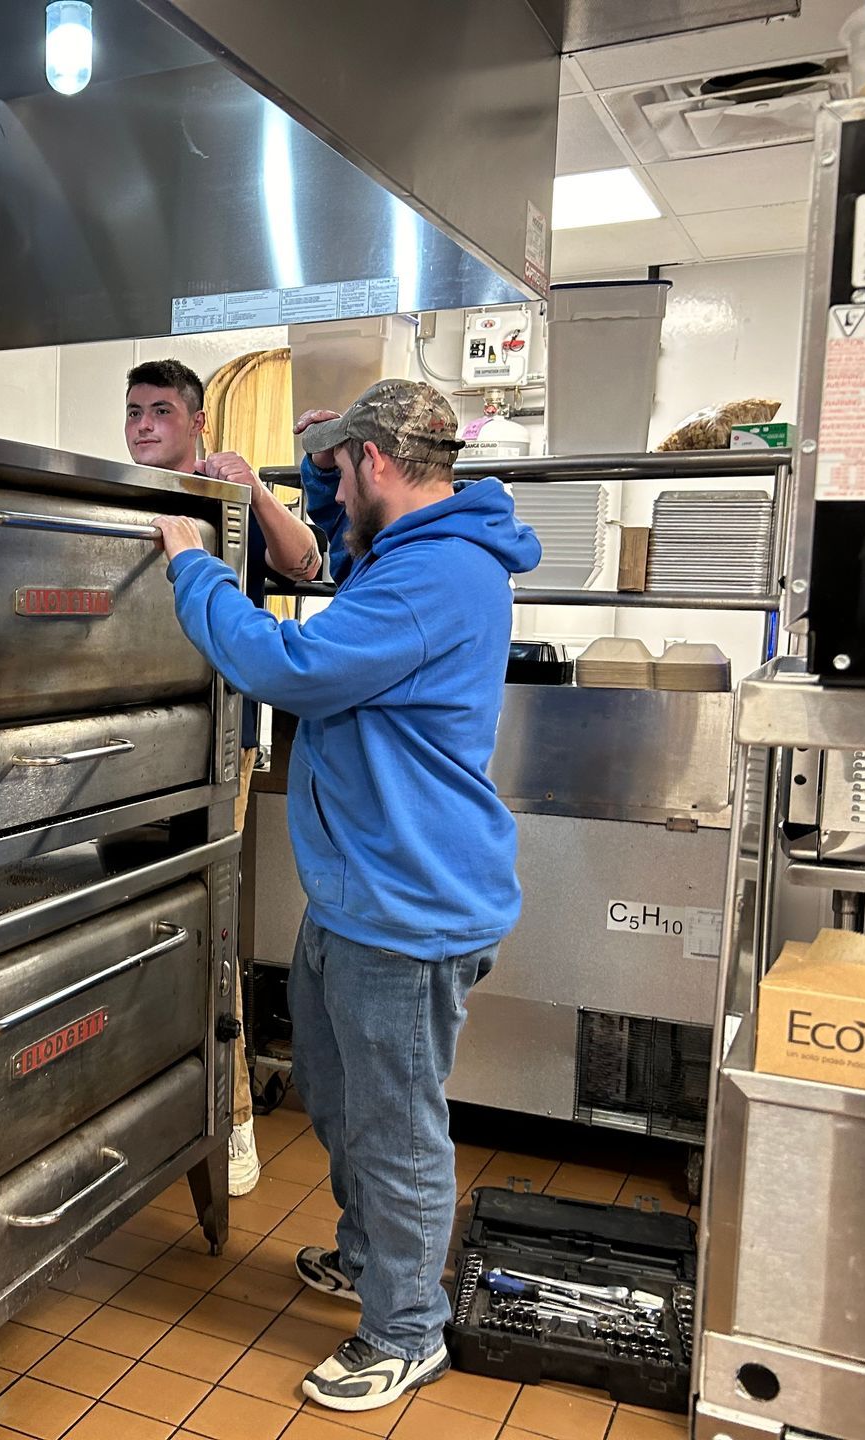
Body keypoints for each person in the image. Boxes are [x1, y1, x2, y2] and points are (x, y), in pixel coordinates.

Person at [148, 379, 540, 1413]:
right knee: (336, 1086)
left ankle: (408, 1328)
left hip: (407, 906)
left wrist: (192, 570)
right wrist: (287, 476)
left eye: (335, 467)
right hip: (362, 890)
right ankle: (376, 1258)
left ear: (373, 463)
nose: (326, 487)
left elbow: (290, 664)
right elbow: (330, 544)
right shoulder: (413, 551)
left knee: (395, 1121)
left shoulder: (435, 578)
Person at [124, 359, 324, 1197]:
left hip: (216, 746)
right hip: (129, 744)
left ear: (200, 422)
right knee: (135, 928)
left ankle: (232, 1122)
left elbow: (308, 564)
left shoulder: (226, 502)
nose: (142, 425)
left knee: (208, 931)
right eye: (133, 411)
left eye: (161, 410)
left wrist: (255, 490)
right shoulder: (112, 499)